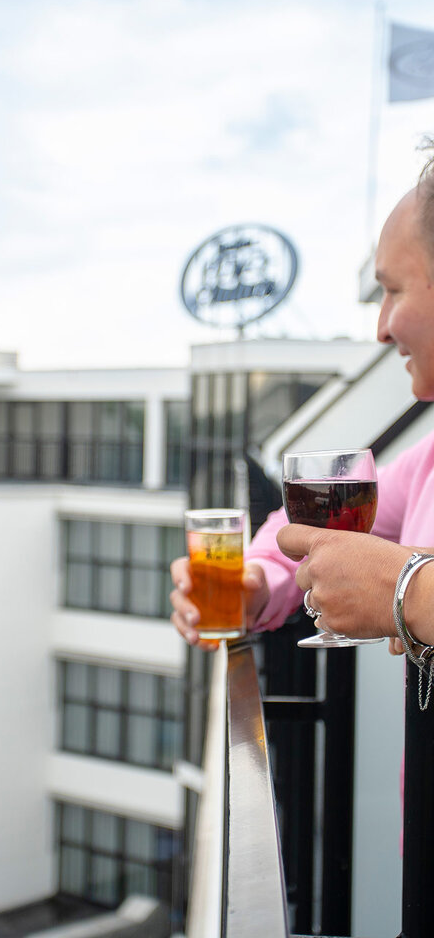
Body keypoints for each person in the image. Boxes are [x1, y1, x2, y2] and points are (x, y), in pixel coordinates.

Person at [170, 154, 434, 653]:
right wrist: (258, 584)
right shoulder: (429, 460)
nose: (381, 329)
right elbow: (297, 532)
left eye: (394, 290)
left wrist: (410, 591)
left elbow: (395, 578)